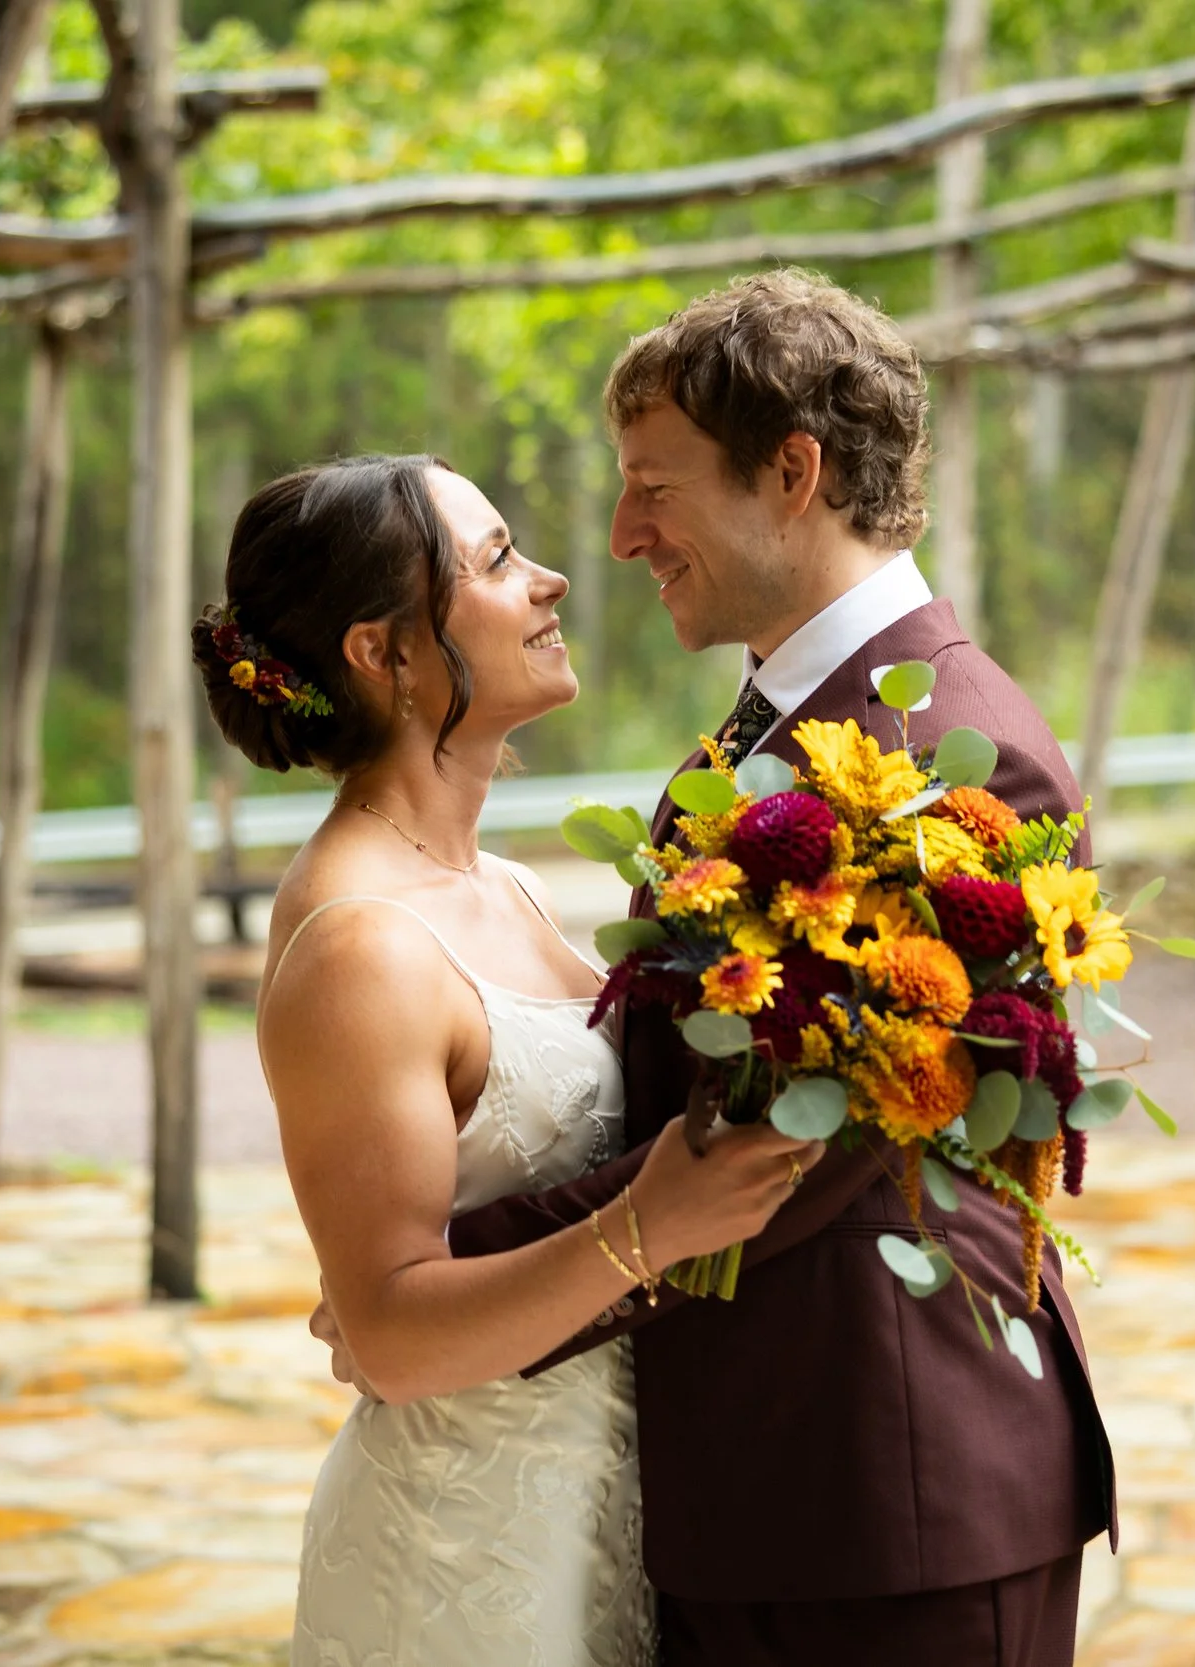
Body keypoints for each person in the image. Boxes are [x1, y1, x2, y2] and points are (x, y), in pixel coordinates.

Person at [319, 270, 1117, 1665]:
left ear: (792, 473)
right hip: (755, 1486)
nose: (623, 536)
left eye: (655, 487)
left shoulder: (952, 760)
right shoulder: (773, 726)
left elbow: (794, 1148)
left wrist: (447, 1277)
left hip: (892, 1493)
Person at [199, 453, 825, 1667]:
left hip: (611, 1515)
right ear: (382, 651)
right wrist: (651, 1223)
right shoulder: (360, 943)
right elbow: (385, 1334)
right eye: (493, 561)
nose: (547, 581)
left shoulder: (511, 887)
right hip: (464, 1562)